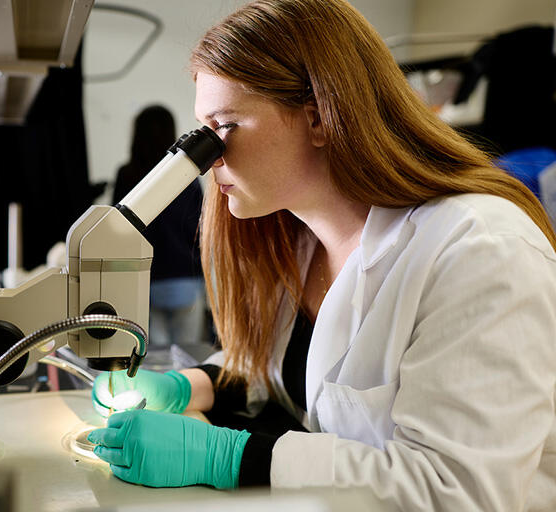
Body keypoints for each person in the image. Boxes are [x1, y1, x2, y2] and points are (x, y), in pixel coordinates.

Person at [88, 1, 556, 510]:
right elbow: (280, 374)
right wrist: (187, 386)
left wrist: (229, 456)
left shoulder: (479, 248)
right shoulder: (300, 240)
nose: (207, 159)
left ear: (317, 118)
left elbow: (457, 491)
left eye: (224, 126)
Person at [113, 105, 206, 347]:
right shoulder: (187, 176)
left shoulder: (127, 175)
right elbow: (200, 230)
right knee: (187, 355)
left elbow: (119, 229)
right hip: (186, 276)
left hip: (145, 279)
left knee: (151, 354)